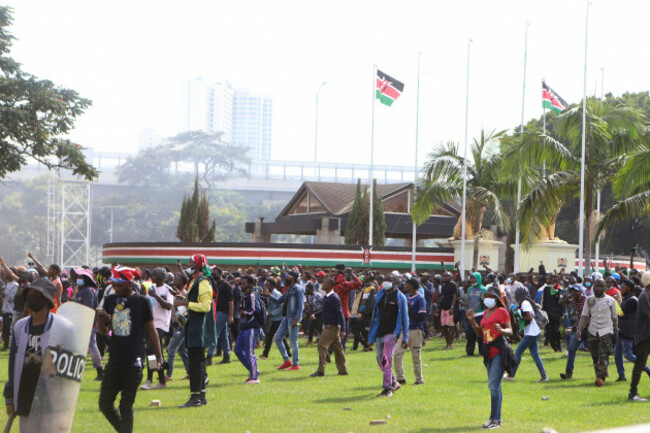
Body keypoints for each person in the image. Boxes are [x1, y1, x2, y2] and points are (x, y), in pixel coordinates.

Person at [98, 267, 163, 433]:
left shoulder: (142, 302)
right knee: (104, 404)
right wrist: (102, 320)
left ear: (129, 283)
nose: (116, 288)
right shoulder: (111, 299)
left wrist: (159, 356)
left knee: (125, 406)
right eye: (113, 285)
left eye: (119, 285)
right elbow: (103, 331)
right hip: (114, 360)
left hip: (134, 361)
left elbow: (151, 330)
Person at [4, 278, 59, 431]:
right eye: (30, 293)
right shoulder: (20, 327)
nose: (32, 297)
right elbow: (13, 364)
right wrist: (10, 396)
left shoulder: (59, 327)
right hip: (25, 393)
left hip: (49, 397)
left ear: (47, 299)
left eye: (37, 294)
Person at [465, 286, 514, 430]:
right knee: (496, 387)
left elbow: (510, 330)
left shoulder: (502, 311)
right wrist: (472, 321)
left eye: (490, 297)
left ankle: (495, 420)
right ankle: (495, 419)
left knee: (493, 386)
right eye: (485, 296)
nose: (487, 299)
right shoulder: (486, 312)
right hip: (488, 351)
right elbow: (481, 334)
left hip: (499, 349)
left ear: (496, 299)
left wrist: (502, 330)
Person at [367, 275, 409, 397]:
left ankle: (388, 388)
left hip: (392, 333)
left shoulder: (400, 297)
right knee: (380, 361)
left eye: (389, 281)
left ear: (395, 282)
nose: (385, 283)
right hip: (379, 332)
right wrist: (371, 337)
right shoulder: (380, 294)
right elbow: (375, 316)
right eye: (385, 281)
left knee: (386, 360)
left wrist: (405, 337)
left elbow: (405, 319)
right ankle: (394, 382)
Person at [576, 278, 619, 387]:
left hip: (606, 331)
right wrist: (579, 329)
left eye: (601, 286)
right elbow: (584, 316)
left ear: (605, 288)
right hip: (593, 331)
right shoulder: (589, 300)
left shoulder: (610, 300)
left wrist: (616, 332)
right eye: (597, 286)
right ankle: (601, 373)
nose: (599, 288)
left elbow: (615, 318)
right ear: (593, 287)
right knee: (595, 356)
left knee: (603, 355)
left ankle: (600, 378)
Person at [505, 288, 547, 382]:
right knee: (535, 355)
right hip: (532, 332)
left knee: (518, 352)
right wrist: (522, 330)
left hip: (532, 333)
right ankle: (544, 376)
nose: (515, 296)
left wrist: (517, 314)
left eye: (516, 294)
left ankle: (511, 374)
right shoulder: (524, 303)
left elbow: (529, 317)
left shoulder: (525, 303)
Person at [140, 268, 172, 390]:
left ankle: (149, 380)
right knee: (153, 352)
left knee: (150, 349)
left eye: (155, 276)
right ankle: (162, 381)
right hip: (151, 322)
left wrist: (156, 296)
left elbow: (169, 306)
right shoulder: (151, 288)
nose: (152, 277)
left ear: (162, 278)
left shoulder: (168, 290)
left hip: (161, 323)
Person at [310, 277, 348, 377]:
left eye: (325, 282)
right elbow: (325, 310)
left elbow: (340, 314)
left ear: (330, 285)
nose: (322, 283)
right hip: (331, 327)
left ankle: (321, 370)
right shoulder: (327, 297)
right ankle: (343, 370)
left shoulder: (334, 297)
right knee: (338, 349)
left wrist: (343, 329)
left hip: (331, 327)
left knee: (321, 345)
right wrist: (316, 315)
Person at [71, 268, 104, 381]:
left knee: (91, 346)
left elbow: (88, 308)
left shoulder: (89, 291)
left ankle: (100, 371)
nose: (78, 279)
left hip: (88, 322)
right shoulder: (80, 290)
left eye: (80, 277)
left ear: (85, 279)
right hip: (79, 322)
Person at [614, 280, 650, 382]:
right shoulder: (627, 299)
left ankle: (648, 370)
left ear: (629, 289)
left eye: (623, 287)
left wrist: (615, 303)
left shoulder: (632, 300)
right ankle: (621, 376)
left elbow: (621, 313)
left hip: (628, 332)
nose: (621, 289)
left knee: (628, 355)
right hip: (622, 331)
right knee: (617, 355)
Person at [393, 278, 426, 385]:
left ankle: (419, 380)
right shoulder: (405, 297)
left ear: (411, 286)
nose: (404, 286)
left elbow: (421, 317)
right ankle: (400, 378)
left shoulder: (420, 299)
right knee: (397, 353)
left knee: (416, 357)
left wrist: (408, 308)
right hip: (404, 331)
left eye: (406, 284)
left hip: (416, 330)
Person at [274, 270, 304, 371]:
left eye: (289, 275)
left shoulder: (298, 289)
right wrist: (268, 295)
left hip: (293, 318)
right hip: (286, 317)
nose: (286, 277)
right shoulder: (289, 289)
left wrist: (297, 318)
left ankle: (296, 364)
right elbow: (279, 300)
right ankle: (287, 361)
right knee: (277, 338)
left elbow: (301, 305)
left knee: (293, 342)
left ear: (294, 277)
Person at [234, 276, 262, 384]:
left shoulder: (252, 296)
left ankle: (254, 377)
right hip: (244, 327)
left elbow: (255, 310)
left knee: (250, 352)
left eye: (244, 284)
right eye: (241, 284)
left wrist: (244, 312)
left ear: (250, 284)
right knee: (237, 350)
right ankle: (253, 370)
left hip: (251, 327)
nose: (242, 286)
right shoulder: (244, 296)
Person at [628, 272, 650, 401]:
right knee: (639, 365)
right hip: (645, 337)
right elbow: (648, 315)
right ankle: (633, 393)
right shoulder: (644, 296)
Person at [259, 278, 291, 360]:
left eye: (268, 285)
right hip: (275, 318)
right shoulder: (270, 293)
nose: (266, 286)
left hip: (279, 318)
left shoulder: (277, 294)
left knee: (271, 336)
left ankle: (265, 354)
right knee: (280, 337)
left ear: (272, 285)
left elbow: (281, 306)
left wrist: (272, 313)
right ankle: (288, 353)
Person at [207, 267, 234, 365]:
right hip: (216, 310)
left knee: (215, 333)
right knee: (223, 335)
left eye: (215, 272)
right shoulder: (214, 284)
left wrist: (231, 315)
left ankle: (209, 356)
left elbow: (231, 301)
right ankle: (226, 356)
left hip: (223, 311)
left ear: (220, 273)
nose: (213, 274)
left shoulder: (225, 285)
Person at [559, 284, 587, 380]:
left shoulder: (586, 300)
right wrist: (574, 327)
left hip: (589, 327)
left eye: (576, 291)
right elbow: (579, 316)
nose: (574, 293)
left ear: (581, 291)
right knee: (571, 348)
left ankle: (601, 372)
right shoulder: (574, 301)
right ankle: (568, 373)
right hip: (580, 327)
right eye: (572, 291)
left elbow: (586, 317)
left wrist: (575, 327)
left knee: (595, 351)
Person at [166, 272, 190, 381]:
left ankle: (168, 375)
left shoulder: (183, 294)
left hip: (181, 327)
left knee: (170, 349)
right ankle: (190, 373)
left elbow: (184, 315)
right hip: (176, 326)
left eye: (177, 278)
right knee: (182, 351)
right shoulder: (175, 293)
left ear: (183, 282)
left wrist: (176, 314)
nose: (174, 280)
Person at [332, 268, 363, 350]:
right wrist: (352, 274)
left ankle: (330, 350)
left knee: (334, 333)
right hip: (344, 312)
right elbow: (359, 283)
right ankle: (342, 348)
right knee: (344, 332)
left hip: (334, 312)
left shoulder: (332, 285)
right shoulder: (345, 284)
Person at [462, 272, 487, 356]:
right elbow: (469, 301)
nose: (472, 280)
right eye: (471, 278)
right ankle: (470, 352)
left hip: (481, 313)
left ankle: (482, 351)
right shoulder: (470, 289)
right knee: (470, 334)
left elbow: (485, 302)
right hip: (472, 314)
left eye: (474, 278)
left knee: (480, 333)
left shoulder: (483, 289)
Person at [541, 274, 562, 352]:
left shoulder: (560, 290)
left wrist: (561, 315)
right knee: (549, 332)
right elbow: (544, 302)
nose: (554, 283)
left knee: (556, 331)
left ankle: (559, 345)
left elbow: (562, 304)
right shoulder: (547, 289)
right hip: (548, 314)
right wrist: (543, 312)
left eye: (556, 281)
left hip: (557, 315)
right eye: (553, 281)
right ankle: (554, 347)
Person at [439, 272, 458, 350]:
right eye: (444, 276)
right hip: (443, 307)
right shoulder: (443, 286)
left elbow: (454, 296)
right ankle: (447, 343)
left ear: (451, 277)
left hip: (450, 308)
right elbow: (443, 296)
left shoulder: (453, 285)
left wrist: (452, 307)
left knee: (451, 326)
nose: (445, 277)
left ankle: (450, 344)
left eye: (447, 276)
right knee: (444, 326)